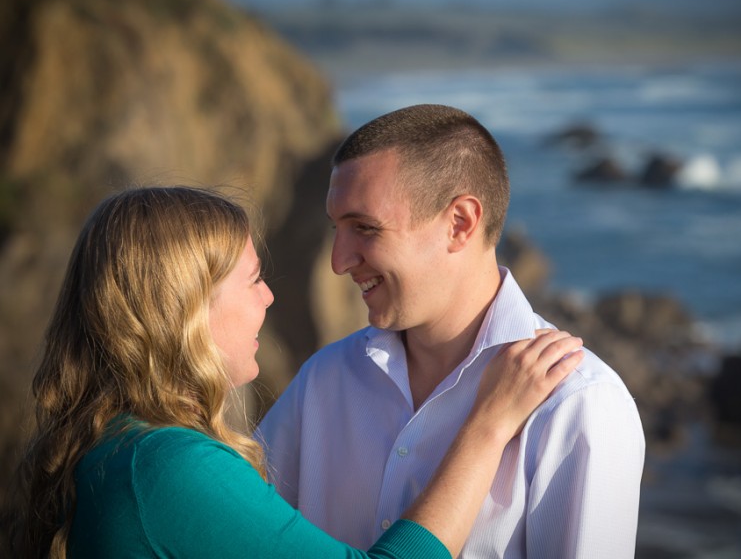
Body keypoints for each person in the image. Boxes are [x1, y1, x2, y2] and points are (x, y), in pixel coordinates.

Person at [7, 185, 584, 559]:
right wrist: (488, 424)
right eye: (253, 279)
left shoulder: (117, 445)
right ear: (185, 306)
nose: (269, 299)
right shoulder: (165, 466)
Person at [257, 104, 646, 558]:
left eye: (364, 228)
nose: (338, 261)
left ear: (460, 223)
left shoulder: (579, 405)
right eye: (337, 229)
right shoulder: (324, 380)